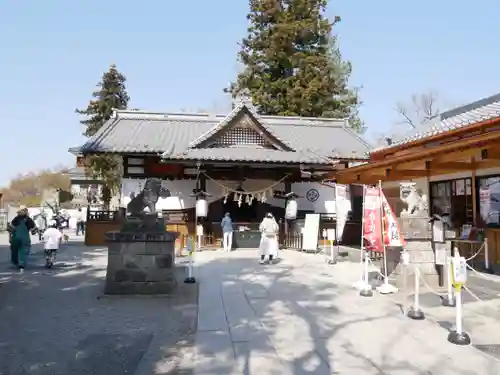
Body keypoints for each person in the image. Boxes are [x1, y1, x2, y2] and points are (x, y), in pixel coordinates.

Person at [8, 207, 37, 273]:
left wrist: (10, 238)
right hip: (25, 238)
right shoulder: (29, 220)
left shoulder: (15, 219)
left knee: (15, 250)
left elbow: (10, 230)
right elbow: (34, 231)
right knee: (24, 251)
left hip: (16, 238)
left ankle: (16, 262)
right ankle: (22, 265)